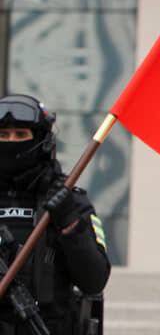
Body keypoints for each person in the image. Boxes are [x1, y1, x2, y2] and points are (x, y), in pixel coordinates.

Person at [0, 94, 110, 335]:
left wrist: (70, 221)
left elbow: (95, 279)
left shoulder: (69, 200)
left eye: (21, 135)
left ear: (41, 141)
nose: (11, 142)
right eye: (4, 136)